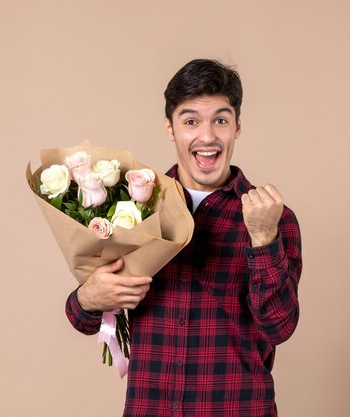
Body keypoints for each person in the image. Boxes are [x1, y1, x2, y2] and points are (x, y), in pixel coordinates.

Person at [66, 59, 302, 417]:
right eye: (191, 121)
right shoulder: (131, 207)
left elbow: (279, 326)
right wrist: (87, 297)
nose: (207, 137)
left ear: (237, 127)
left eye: (220, 120)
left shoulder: (273, 218)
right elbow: (83, 318)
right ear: (170, 127)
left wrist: (264, 239)